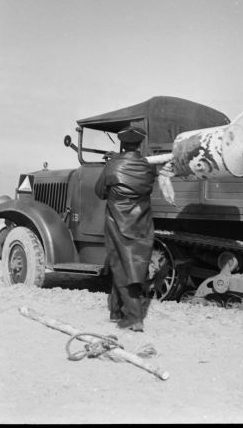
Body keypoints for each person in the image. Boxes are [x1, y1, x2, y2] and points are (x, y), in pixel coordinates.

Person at [95, 126, 156, 332]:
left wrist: (113, 162)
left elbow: (99, 192)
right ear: (140, 145)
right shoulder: (148, 168)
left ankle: (134, 317)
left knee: (120, 267)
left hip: (117, 223)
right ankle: (116, 311)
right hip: (141, 224)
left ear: (122, 144)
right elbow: (146, 187)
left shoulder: (113, 166)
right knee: (131, 268)